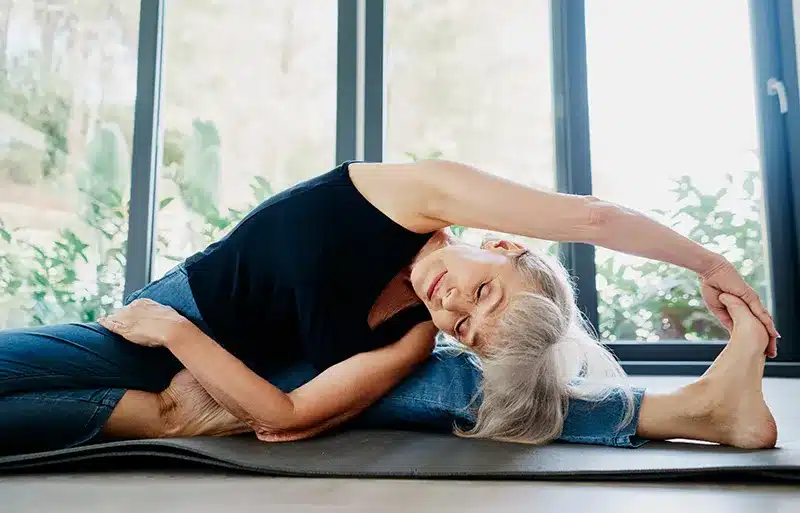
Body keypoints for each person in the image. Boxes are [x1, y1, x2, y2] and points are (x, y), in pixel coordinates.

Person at [0, 160, 779, 455]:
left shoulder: (414, 341)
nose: (455, 305)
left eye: (467, 327)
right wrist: (710, 262)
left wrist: (182, 345)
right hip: (166, 331)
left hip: (212, 372)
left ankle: (687, 410)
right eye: (482, 291)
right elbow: (594, 218)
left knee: (452, 386)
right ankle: (686, 409)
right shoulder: (411, 192)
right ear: (500, 246)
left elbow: (282, 414)